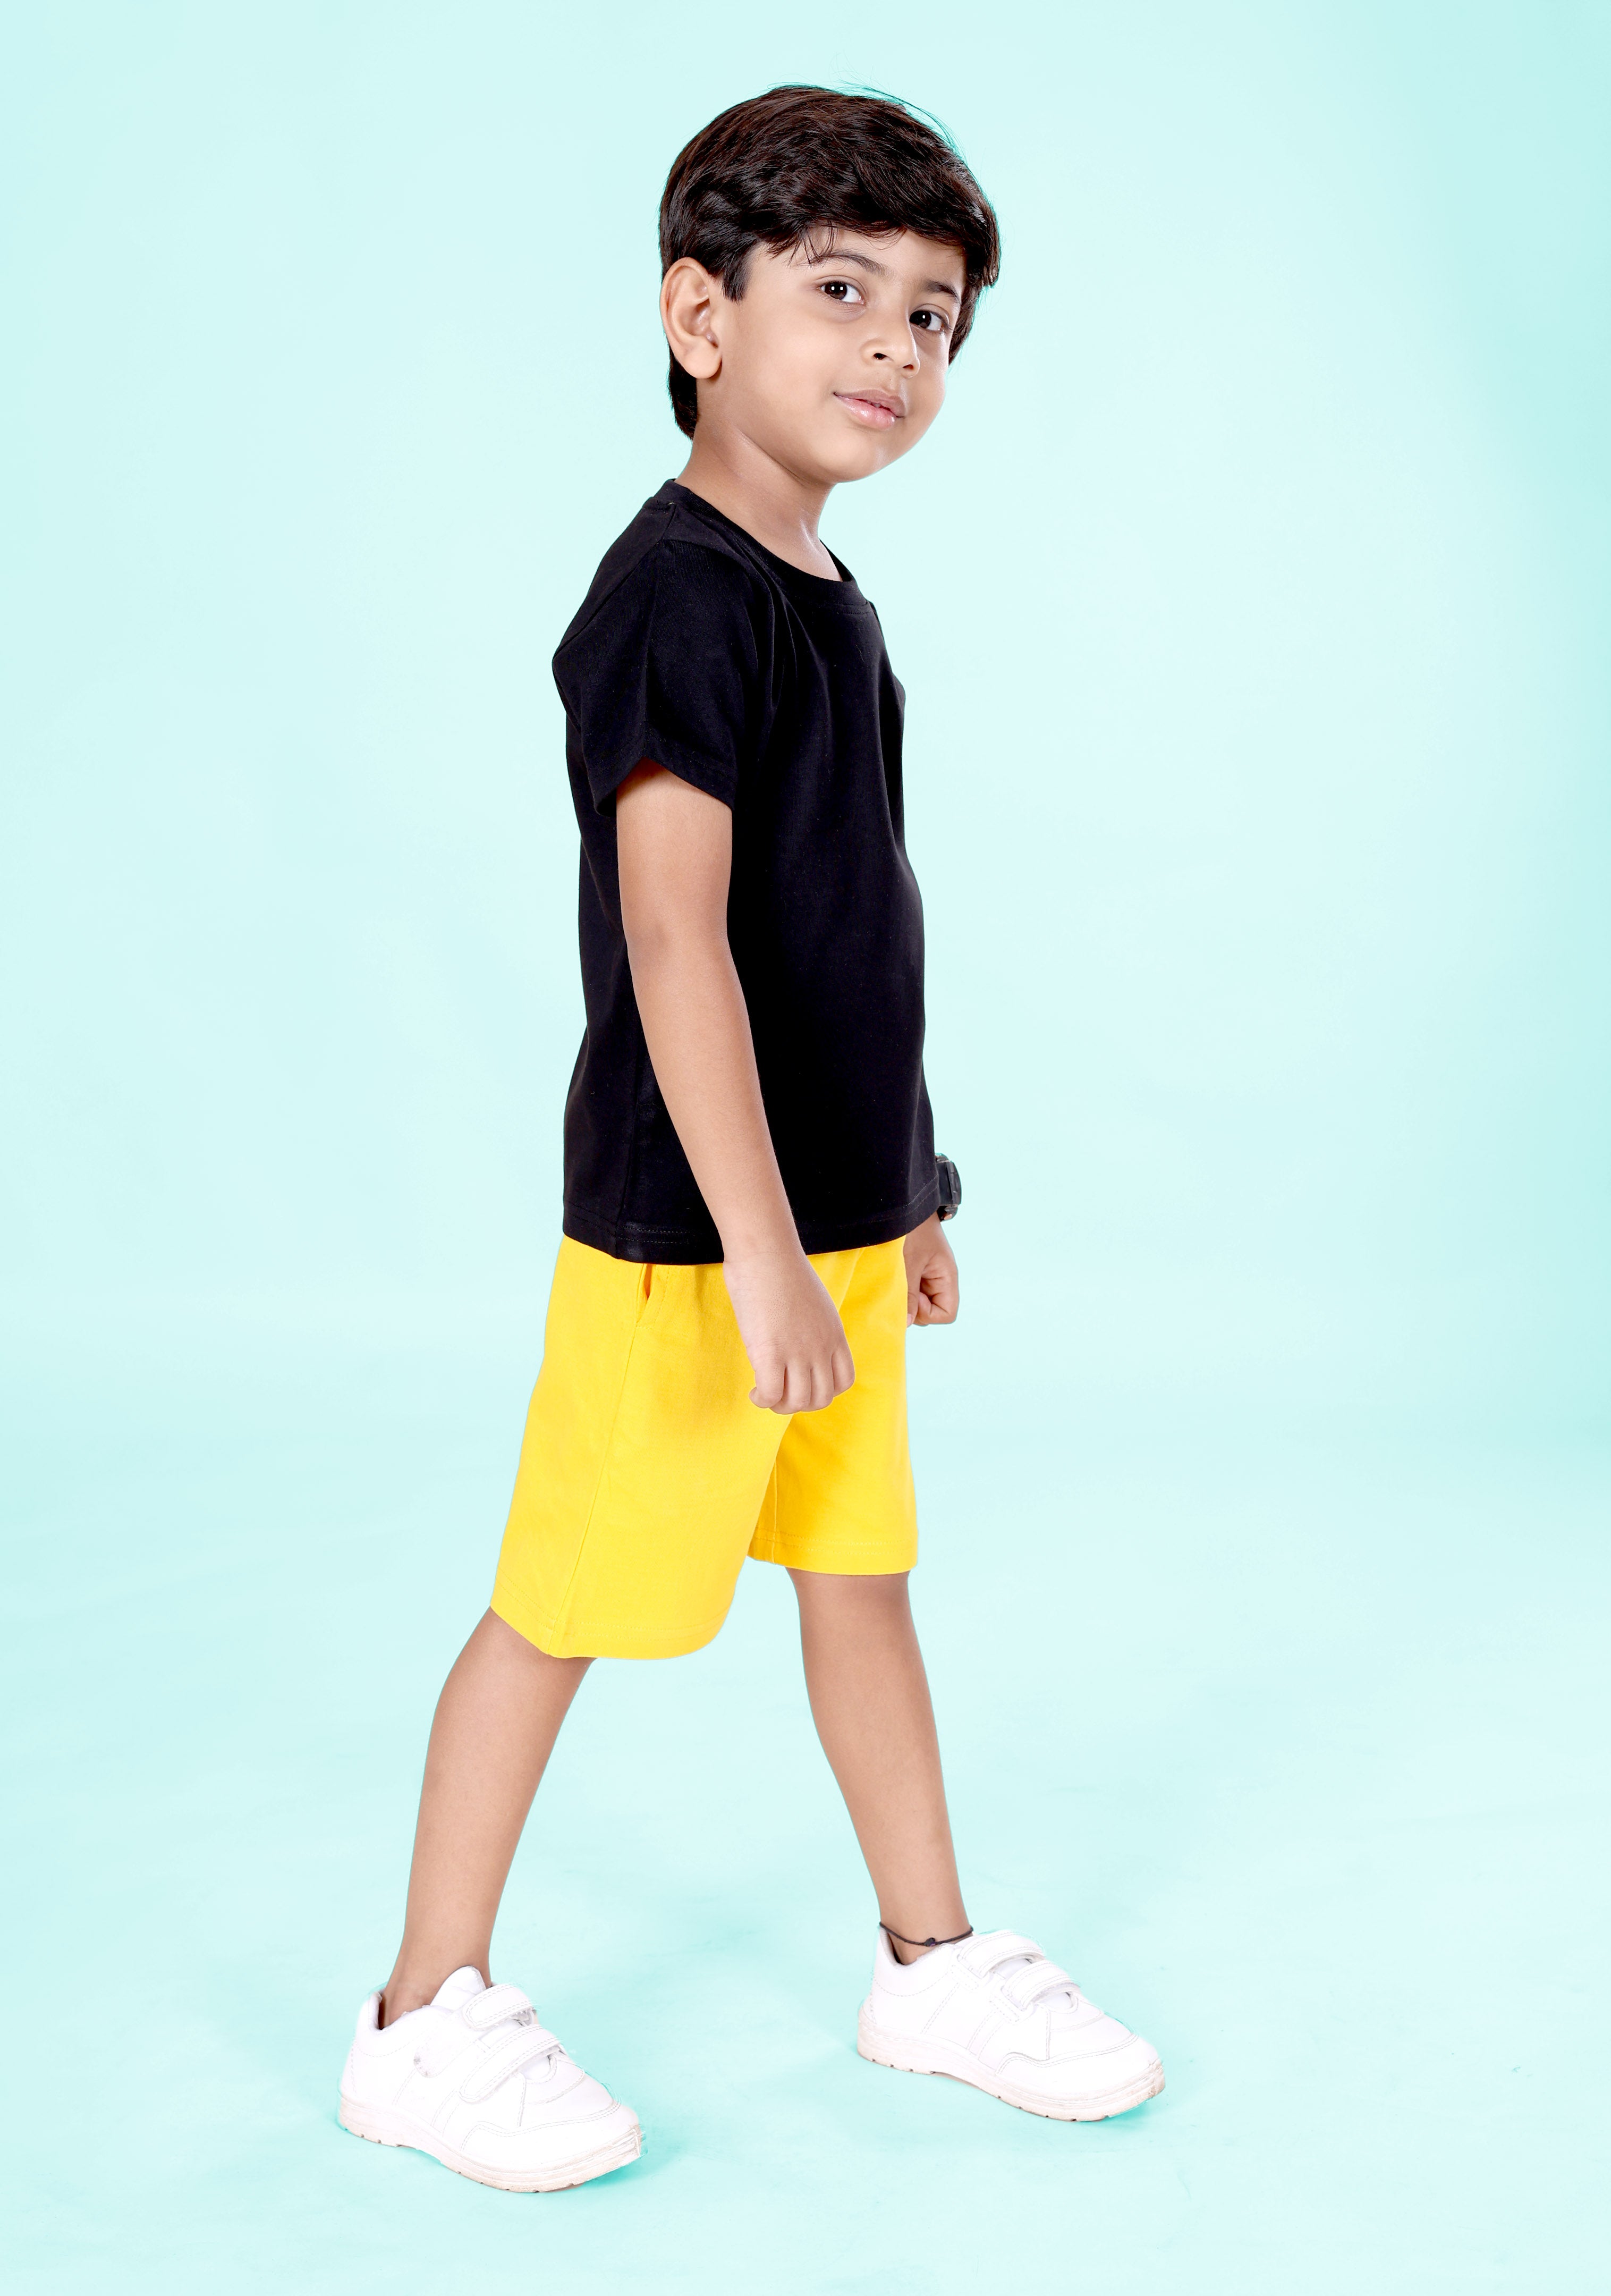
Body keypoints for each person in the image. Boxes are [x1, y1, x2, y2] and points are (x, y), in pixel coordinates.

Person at [338, 83, 1163, 2193]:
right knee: (563, 1604)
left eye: (935, 316)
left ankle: (932, 1963)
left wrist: (909, 1192)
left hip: (833, 1233)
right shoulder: (676, 598)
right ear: (700, 315)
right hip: (692, 1244)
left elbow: (850, 932)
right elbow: (677, 941)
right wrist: (766, 1250)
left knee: (862, 1582)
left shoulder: (830, 599)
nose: (897, 346)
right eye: (842, 292)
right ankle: (422, 2011)